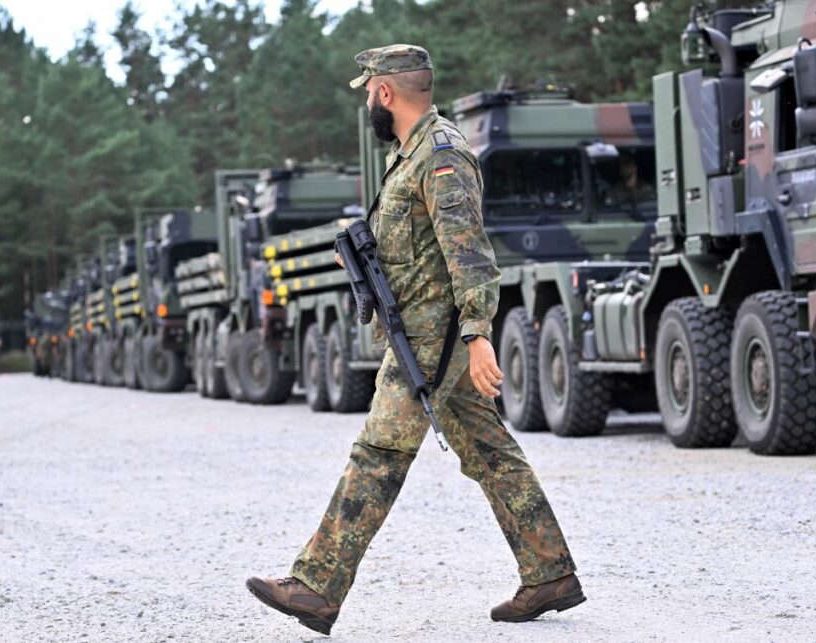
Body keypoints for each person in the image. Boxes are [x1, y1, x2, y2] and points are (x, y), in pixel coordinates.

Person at [246, 44, 584, 636]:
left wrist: (477, 334)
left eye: (368, 94)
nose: (368, 106)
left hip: (433, 339)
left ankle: (317, 586)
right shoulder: (409, 154)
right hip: (426, 334)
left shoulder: (441, 153)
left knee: (379, 452)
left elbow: (470, 252)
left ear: (385, 92)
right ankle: (549, 573)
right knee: (490, 452)